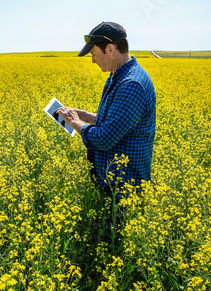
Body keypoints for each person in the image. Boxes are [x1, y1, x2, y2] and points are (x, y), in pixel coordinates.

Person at [54, 21, 156, 249]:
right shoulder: (117, 76)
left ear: (110, 49)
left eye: (93, 53)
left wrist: (76, 123)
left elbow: (105, 138)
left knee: (113, 246)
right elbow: (117, 120)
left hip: (124, 185)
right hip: (113, 180)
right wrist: (86, 116)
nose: (91, 59)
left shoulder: (132, 84)